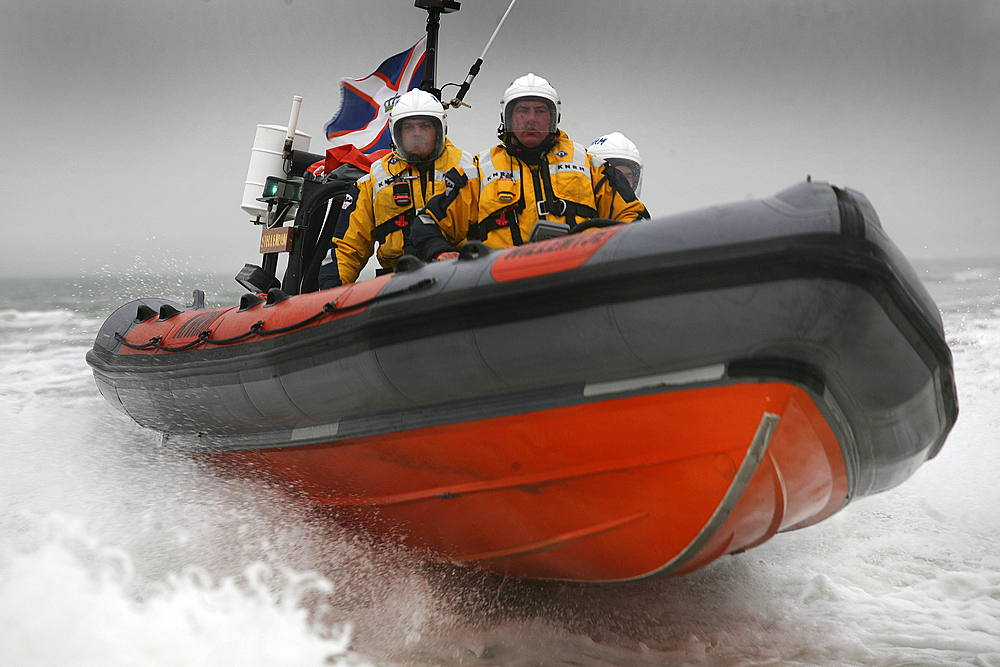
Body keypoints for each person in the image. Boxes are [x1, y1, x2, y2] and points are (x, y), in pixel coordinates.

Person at [411, 73, 647, 260]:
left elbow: (633, 216)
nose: (531, 119)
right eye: (523, 111)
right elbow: (427, 222)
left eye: (540, 111)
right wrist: (441, 252)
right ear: (508, 118)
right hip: (504, 287)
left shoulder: (590, 166)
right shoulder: (478, 173)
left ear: (554, 117)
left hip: (579, 279)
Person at [318, 89, 476, 288]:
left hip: (459, 278)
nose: (417, 134)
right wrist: (330, 293)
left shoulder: (469, 169)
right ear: (396, 132)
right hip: (398, 284)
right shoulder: (373, 181)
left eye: (425, 126)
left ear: (440, 129)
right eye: (409, 128)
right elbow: (347, 248)